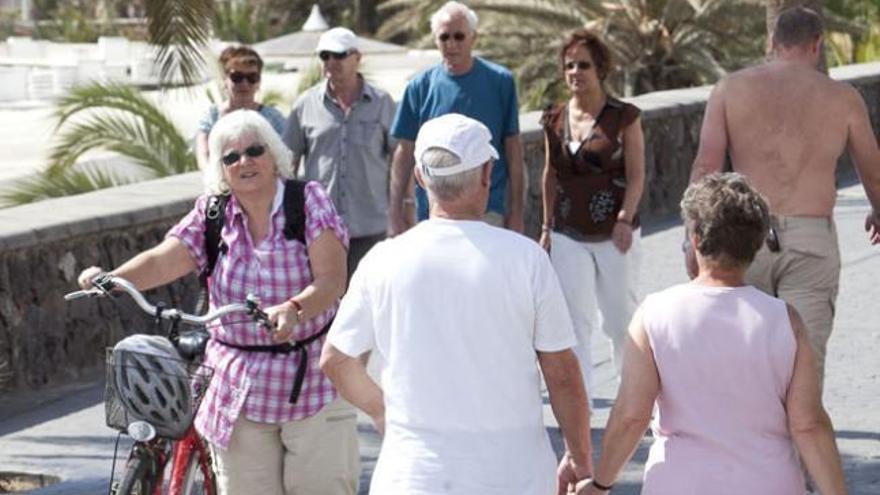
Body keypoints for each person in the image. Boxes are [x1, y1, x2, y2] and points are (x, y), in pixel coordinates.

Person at [78, 110, 359, 495]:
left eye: (254, 150)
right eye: (231, 156)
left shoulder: (307, 201)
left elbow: (332, 280)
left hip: (309, 380)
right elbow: (166, 258)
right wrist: (114, 279)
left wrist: (294, 310)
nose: (244, 162)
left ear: (273, 154)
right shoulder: (212, 213)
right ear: (221, 168)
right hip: (237, 387)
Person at [320, 114, 593, 494]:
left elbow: (336, 360)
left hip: (413, 475)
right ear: (486, 175)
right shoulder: (526, 259)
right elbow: (561, 372)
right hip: (514, 476)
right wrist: (580, 457)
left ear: (419, 178)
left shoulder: (382, 260)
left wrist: (384, 411)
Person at [576, 173, 847, 495]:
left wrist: (601, 484)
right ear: (758, 245)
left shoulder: (654, 314)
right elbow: (808, 425)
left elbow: (632, 416)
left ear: (694, 240)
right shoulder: (784, 321)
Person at [690, 6, 880, 389]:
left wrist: (692, 240)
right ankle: (796, 447)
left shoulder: (730, 89)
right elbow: (873, 171)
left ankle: (751, 446)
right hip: (811, 241)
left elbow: (705, 169)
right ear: (818, 44)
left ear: (771, 43)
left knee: (746, 361)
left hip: (742, 236)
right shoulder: (844, 98)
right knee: (803, 365)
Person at [540, 29, 645, 392]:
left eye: (583, 64)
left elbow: (637, 175)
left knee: (619, 321)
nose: (575, 72)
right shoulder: (553, 118)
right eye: (569, 65)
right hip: (568, 232)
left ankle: (632, 396)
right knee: (574, 321)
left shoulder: (624, 116)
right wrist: (545, 226)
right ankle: (580, 403)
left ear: (600, 68)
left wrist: (625, 219)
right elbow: (550, 174)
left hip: (614, 232)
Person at [387, 1, 525, 235]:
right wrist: (394, 212)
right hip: (432, 211)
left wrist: (517, 213)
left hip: (487, 210)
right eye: (444, 37)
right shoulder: (419, 87)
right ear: (435, 39)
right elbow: (404, 152)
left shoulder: (500, 82)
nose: (451, 44)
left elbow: (513, 150)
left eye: (459, 36)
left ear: (473, 37)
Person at [284, 27, 396, 279]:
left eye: (339, 54)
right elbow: (287, 163)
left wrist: (403, 208)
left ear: (357, 57)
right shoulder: (304, 105)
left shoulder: (383, 103)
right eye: (325, 56)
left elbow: (398, 160)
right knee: (325, 307)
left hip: (371, 226)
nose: (331, 62)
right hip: (320, 228)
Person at [196, 45, 287, 170]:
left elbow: (285, 156)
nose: (244, 84)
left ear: (259, 82)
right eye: (237, 77)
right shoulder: (212, 116)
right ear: (225, 79)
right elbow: (203, 156)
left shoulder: (273, 118)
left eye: (252, 78)